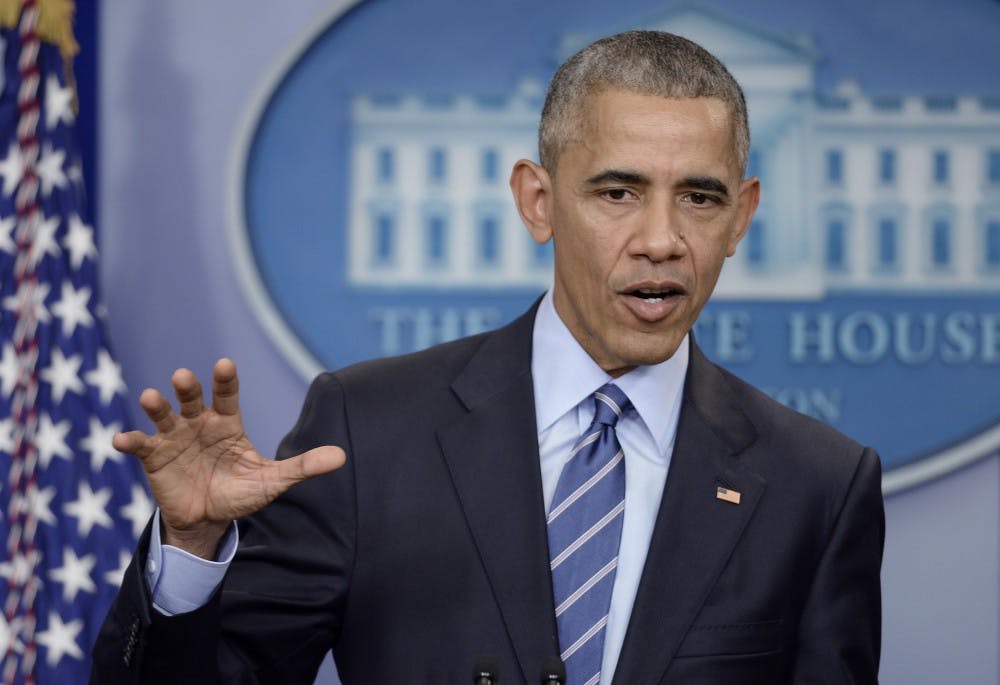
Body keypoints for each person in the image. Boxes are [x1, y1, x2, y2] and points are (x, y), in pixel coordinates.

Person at [91, 30, 884, 685]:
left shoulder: (818, 484)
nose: (661, 239)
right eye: (618, 192)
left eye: (700, 198)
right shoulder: (368, 432)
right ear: (538, 202)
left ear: (740, 216)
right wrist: (190, 552)